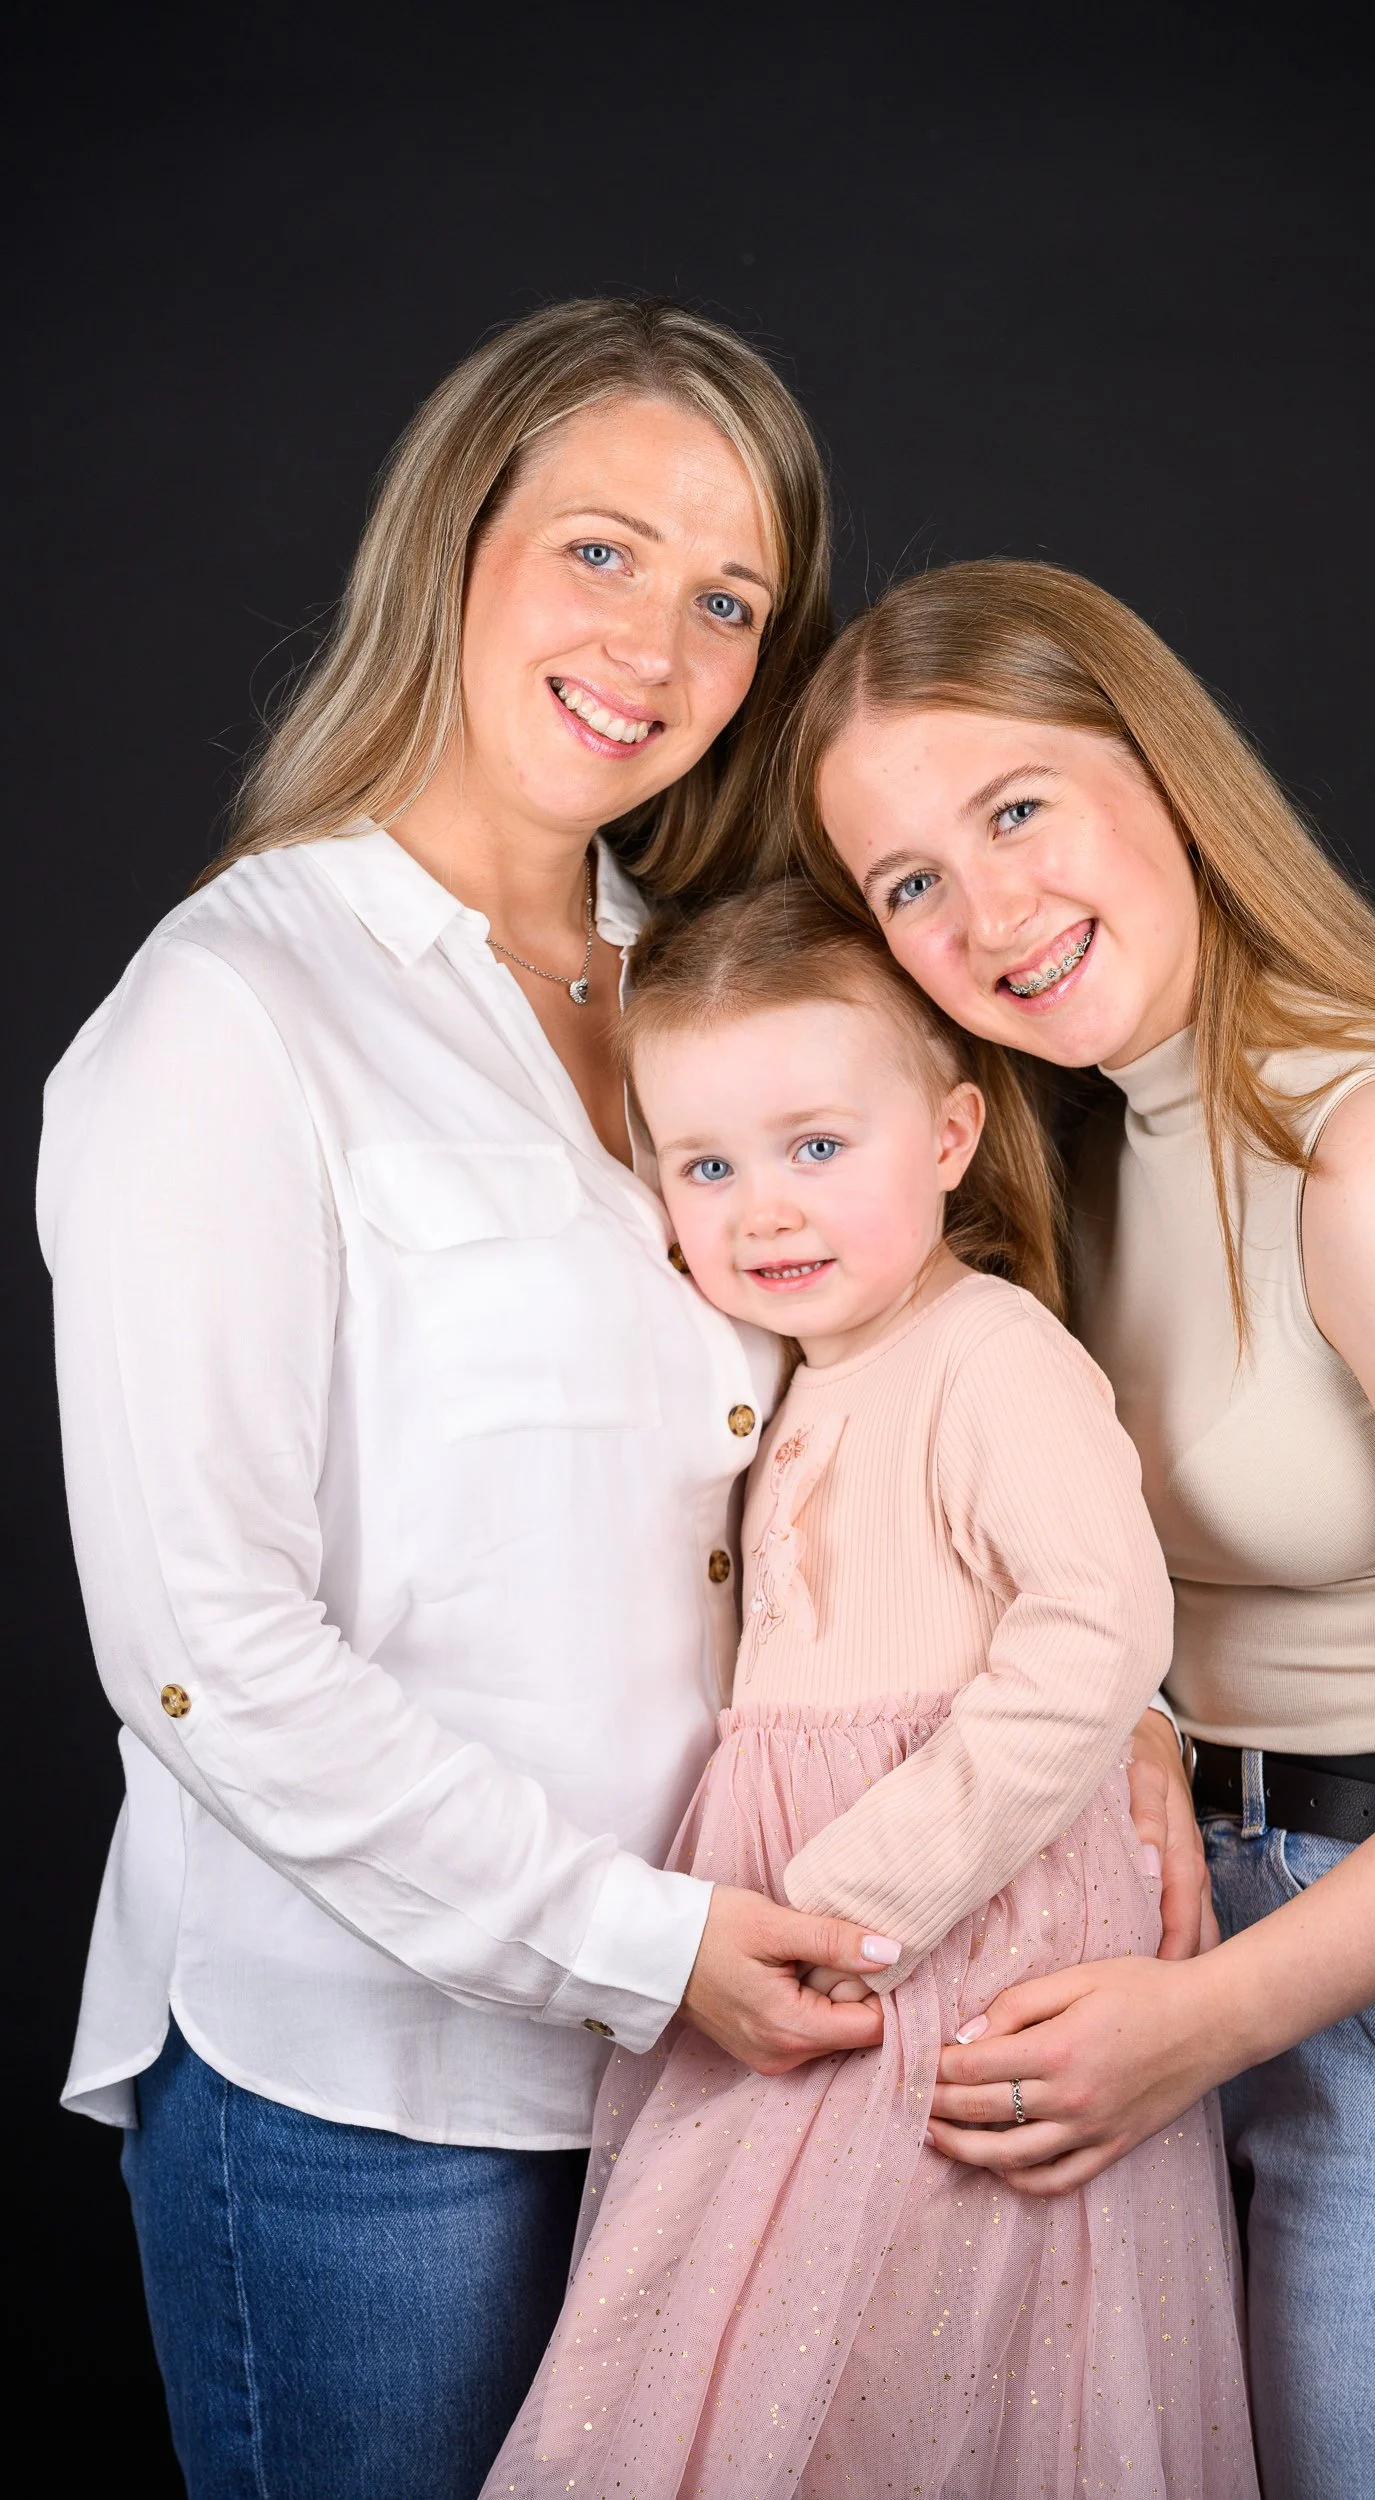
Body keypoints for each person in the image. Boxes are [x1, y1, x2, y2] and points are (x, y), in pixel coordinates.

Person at [36, 300, 904, 2500]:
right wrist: (643, 1943)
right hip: (376, 2089)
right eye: (601, 551)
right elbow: (198, 1645)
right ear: (452, 545)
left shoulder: (721, 986)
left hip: (720, 2078)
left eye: (728, 599)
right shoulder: (235, 1009)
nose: (658, 642)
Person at [780, 559, 1375, 2497]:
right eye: (905, 881)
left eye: (1012, 807)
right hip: (1230, 1946)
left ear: (1157, 768)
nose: (984, 910)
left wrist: (1201, 2020)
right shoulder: (1093, 1145)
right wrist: (1147, 1720)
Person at [485, 881, 1257, 2498]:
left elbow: (1097, 1628)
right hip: (809, 1930)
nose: (762, 1211)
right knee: (771, 2358)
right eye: (705, 1167)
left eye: (817, 1147)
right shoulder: (786, 1372)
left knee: (923, 2348)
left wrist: (855, 1892)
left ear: (954, 1136)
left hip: (932, 1936)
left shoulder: (987, 1353)